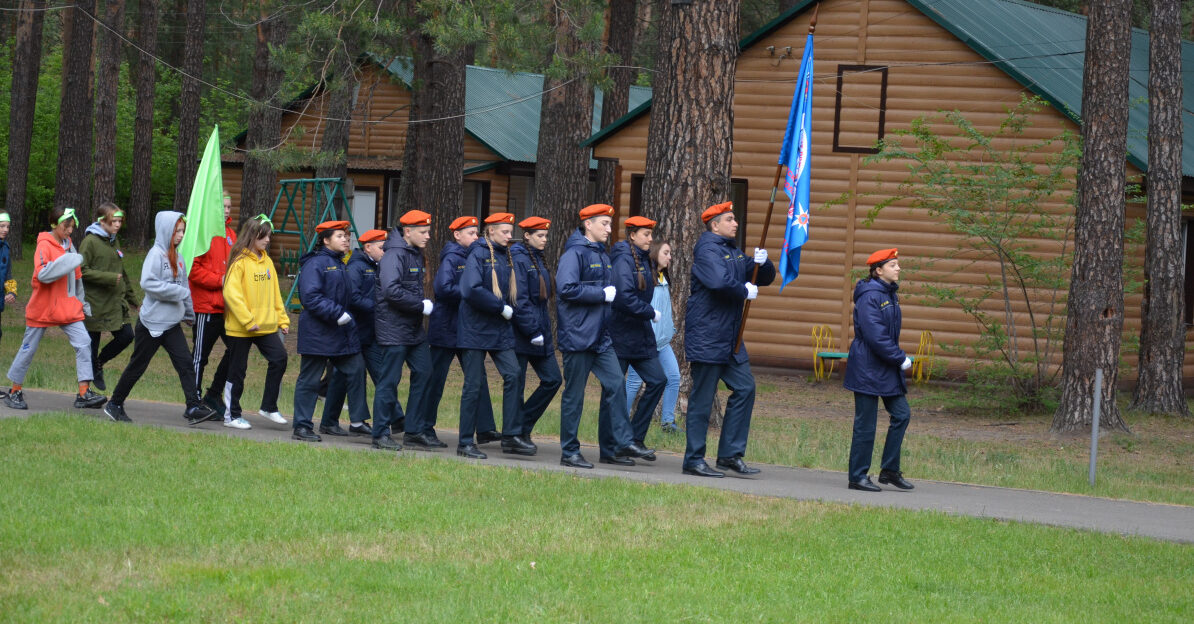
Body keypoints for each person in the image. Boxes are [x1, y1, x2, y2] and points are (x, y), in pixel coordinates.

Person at [555, 204, 654, 469]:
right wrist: (600, 294)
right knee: (574, 396)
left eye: (610, 225)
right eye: (604, 224)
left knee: (615, 384)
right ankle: (570, 452)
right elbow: (565, 288)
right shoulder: (575, 253)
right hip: (578, 336)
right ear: (588, 224)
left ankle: (623, 440)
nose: (609, 230)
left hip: (601, 336)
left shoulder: (602, 254)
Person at [681, 202, 774, 478]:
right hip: (708, 336)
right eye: (730, 219)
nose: (735, 223)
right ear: (715, 225)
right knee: (702, 399)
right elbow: (719, 282)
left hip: (729, 339)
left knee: (745, 388)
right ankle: (694, 459)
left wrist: (762, 262)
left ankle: (730, 455)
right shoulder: (707, 250)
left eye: (735, 219)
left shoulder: (731, 251)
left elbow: (763, 278)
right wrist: (743, 290)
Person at [102, 211, 219, 425]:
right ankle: (114, 404)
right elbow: (148, 283)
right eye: (177, 231)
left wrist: (189, 314)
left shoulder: (180, 258)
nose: (181, 235)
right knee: (138, 365)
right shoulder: (155, 255)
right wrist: (177, 293)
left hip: (171, 324)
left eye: (183, 231)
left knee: (185, 364)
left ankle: (193, 406)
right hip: (152, 324)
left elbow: (184, 289)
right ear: (167, 230)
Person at [4, 207, 107, 411]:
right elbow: (43, 274)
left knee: (84, 343)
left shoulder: (70, 246)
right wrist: (67, 261)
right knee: (28, 349)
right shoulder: (44, 245)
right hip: (43, 308)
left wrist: (81, 301)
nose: (70, 230)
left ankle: (84, 393)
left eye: (72, 227)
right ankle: (14, 391)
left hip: (68, 309)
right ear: (54, 224)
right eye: (66, 226)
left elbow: (77, 278)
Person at [456, 212, 534, 459]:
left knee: (513, 374)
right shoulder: (478, 252)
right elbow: (470, 288)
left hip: (498, 329)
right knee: (473, 385)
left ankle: (511, 435)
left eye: (511, 232)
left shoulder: (505, 255)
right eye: (505, 232)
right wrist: (499, 307)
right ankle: (465, 442)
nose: (510, 237)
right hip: (475, 328)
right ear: (490, 231)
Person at [291, 220, 371, 444]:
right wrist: (337, 313)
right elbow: (311, 297)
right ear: (326, 240)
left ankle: (357, 421)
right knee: (310, 378)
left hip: (338, 332)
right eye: (339, 236)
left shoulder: (338, 262)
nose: (346, 239)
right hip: (319, 331)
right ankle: (302, 425)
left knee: (355, 368)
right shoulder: (316, 264)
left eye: (346, 236)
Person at [421, 216, 496, 449]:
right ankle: (424, 427)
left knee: (478, 378)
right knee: (436, 381)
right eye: (471, 233)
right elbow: (442, 288)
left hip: (464, 329)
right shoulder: (453, 257)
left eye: (476, 233)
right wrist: (470, 293)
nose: (476, 237)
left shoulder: (471, 256)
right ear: (457, 235)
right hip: (446, 328)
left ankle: (485, 428)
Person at [844, 248, 915, 492]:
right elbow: (876, 336)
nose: (898, 268)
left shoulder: (889, 293)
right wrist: (899, 358)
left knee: (902, 414)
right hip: (867, 367)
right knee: (866, 424)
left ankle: (889, 470)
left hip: (884, 366)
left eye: (898, 264)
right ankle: (858, 477)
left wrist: (894, 359)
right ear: (878, 270)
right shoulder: (870, 296)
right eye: (893, 265)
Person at [371, 210, 435, 450]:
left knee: (425, 372)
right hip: (394, 329)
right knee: (389, 381)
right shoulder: (395, 255)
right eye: (423, 232)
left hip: (413, 330)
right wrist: (420, 305)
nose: (428, 236)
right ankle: (380, 434)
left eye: (428, 231)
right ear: (408, 231)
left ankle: (414, 430)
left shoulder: (414, 253)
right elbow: (391, 291)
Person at [221, 215, 290, 430]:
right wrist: (247, 320)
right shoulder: (239, 261)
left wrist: (282, 319)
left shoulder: (267, 261)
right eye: (264, 236)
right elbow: (231, 294)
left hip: (265, 326)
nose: (268, 240)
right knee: (237, 371)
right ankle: (231, 416)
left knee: (279, 358)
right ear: (253, 235)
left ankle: (269, 407)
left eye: (269, 236)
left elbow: (275, 293)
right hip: (242, 328)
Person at [322, 229, 389, 437]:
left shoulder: (375, 265)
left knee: (346, 376)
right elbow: (352, 298)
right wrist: (378, 307)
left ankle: (332, 421)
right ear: (368, 247)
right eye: (381, 248)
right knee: (351, 373)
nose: (385, 252)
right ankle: (356, 421)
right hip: (352, 331)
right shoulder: (357, 267)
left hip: (368, 332)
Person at [610, 216, 666, 456]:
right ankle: (614, 444)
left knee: (658, 380)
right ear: (632, 235)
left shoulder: (644, 259)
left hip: (640, 334)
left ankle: (633, 438)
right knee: (614, 390)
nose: (650, 239)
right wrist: (649, 312)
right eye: (646, 234)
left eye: (651, 234)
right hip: (620, 333)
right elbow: (623, 296)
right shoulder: (623, 258)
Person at [509, 216, 561, 450]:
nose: (544, 240)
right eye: (539, 236)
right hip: (522, 333)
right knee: (517, 385)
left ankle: (522, 426)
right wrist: (531, 330)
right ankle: (513, 436)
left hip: (539, 331)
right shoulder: (519, 258)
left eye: (545, 236)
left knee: (552, 379)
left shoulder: (537, 258)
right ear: (527, 236)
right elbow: (519, 299)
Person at [79, 202, 139, 392]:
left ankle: (99, 363)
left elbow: (122, 272)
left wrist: (132, 299)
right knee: (91, 345)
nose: (117, 225)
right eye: (113, 221)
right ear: (102, 221)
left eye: (120, 221)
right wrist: (109, 278)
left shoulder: (114, 241)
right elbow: (80, 270)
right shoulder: (90, 241)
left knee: (126, 336)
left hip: (115, 303)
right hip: (95, 303)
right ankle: (84, 393)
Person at [625, 240, 681, 433]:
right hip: (645, 342)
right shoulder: (645, 278)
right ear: (655, 253)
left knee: (673, 377)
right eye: (666, 252)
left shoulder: (663, 277)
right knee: (634, 382)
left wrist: (670, 328)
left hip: (663, 342)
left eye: (670, 253)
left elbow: (665, 307)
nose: (670, 257)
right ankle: (620, 421)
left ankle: (667, 422)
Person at [188, 193, 237, 414]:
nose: (227, 210)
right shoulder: (203, 233)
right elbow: (193, 268)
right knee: (200, 356)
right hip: (206, 307)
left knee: (237, 349)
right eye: (223, 207)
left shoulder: (230, 234)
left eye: (229, 207)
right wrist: (219, 280)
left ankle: (213, 394)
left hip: (227, 308)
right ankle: (194, 400)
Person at [0, 213, 18, 378]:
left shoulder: (5, 248)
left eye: (7, 226)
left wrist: (12, 291)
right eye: (1, 226)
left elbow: (8, 274)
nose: (5, 230)